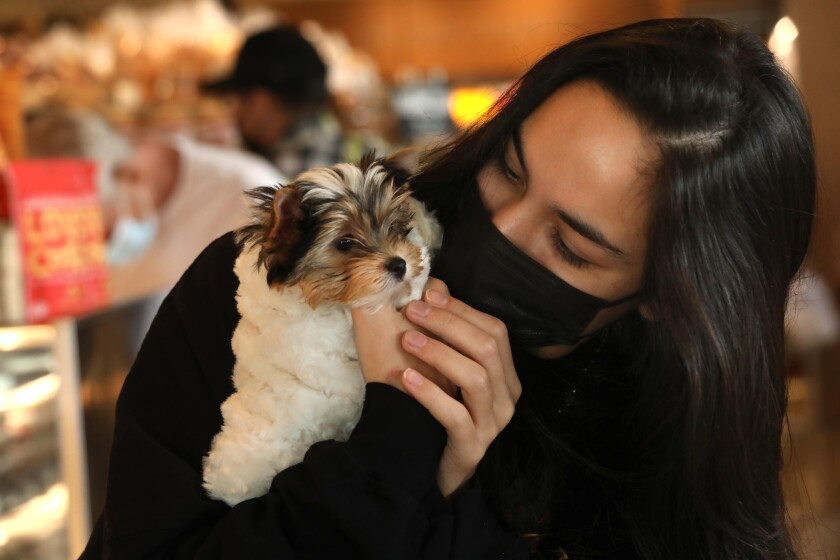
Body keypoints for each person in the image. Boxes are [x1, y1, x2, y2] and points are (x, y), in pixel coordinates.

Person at [80, 17, 815, 560]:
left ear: (666, 297)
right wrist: (387, 455)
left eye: (569, 244)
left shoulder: (655, 450)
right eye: (509, 169)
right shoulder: (270, 290)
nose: (497, 228)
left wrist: (444, 509)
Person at [25, 108, 283, 302]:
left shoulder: (250, 199)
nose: (95, 249)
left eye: (103, 233)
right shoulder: (82, 209)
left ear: (130, 176)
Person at [201, 25, 387, 180]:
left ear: (260, 103)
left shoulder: (272, 175)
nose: (235, 113)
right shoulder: (367, 151)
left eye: (238, 100)